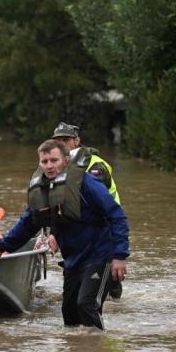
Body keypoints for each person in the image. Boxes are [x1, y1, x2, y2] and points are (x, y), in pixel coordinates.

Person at [0, 139, 129, 330]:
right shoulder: (41, 189)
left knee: (86, 305)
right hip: (73, 260)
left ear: (66, 160)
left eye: (54, 160)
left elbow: (116, 215)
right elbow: (28, 224)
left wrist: (120, 256)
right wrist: (1, 248)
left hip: (100, 256)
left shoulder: (87, 183)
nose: (49, 166)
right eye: (45, 162)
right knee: (69, 316)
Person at [52, 121, 124, 299]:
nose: (61, 144)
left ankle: (114, 294)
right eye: (57, 141)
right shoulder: (55, 165)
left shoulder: (95, 165)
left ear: (77, 141)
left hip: (103, 222)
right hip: (76, 223)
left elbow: (89, 197)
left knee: (104, 271)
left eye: (66, 140)